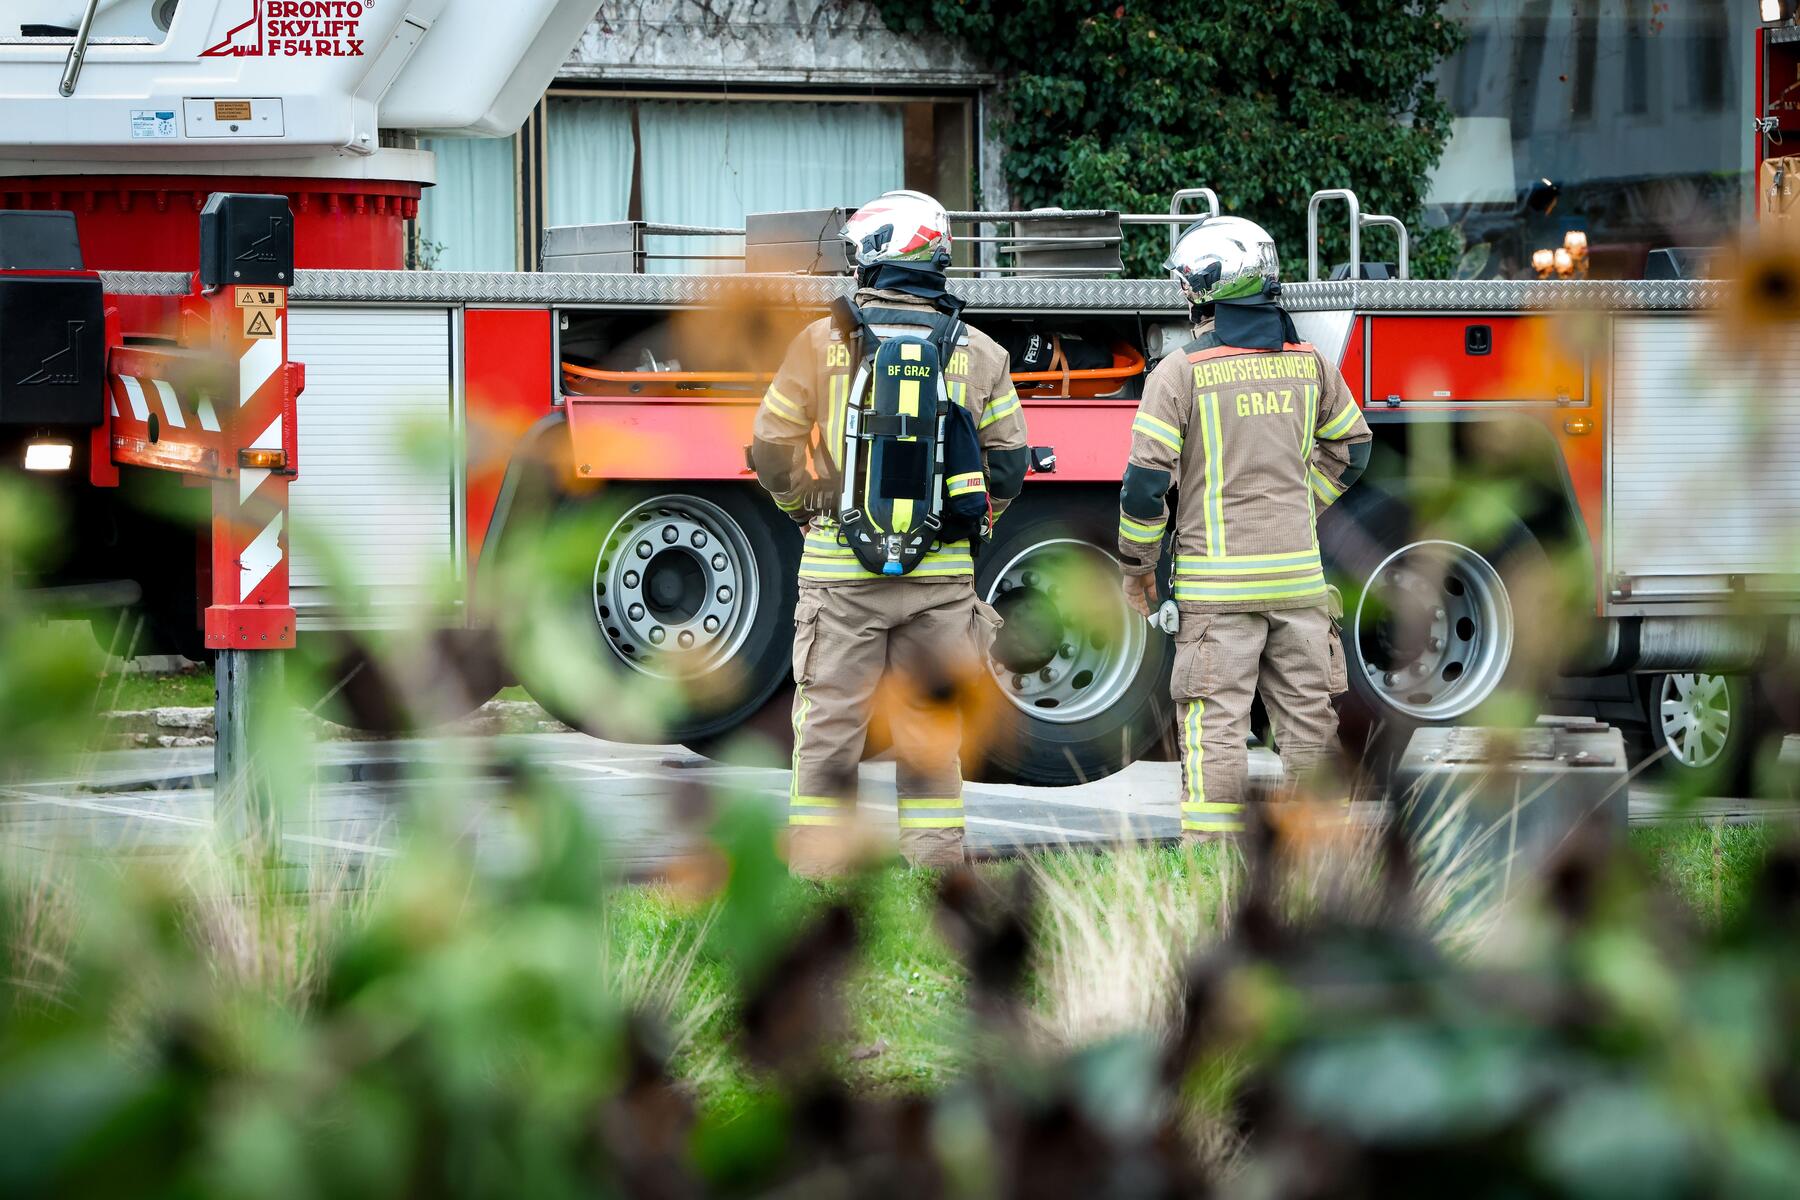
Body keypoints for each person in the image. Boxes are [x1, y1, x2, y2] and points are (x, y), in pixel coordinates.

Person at [751, 189, 1031, 877]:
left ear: (876, 257)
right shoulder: (981, 352)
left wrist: (806, 509)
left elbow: (771, 445)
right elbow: (1010, 465)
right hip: (940, 580)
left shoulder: (820, 342)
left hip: (839, 574)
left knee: (829, 732)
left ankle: (818, 871)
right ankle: (937, 872)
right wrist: (968, 526)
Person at [1117, 215, 1371, 841]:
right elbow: (1353, 448)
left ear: (1210, 290)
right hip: (1300, 587)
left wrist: (1138, 569)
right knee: (1309, 724)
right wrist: (1301, 507)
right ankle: (1322, 860)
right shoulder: (1308, 364)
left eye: (1190, 282)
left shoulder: (1177, 374)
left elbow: (1145, 487)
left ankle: (1208, 854)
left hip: (1216, 590)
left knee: (1215, 723)